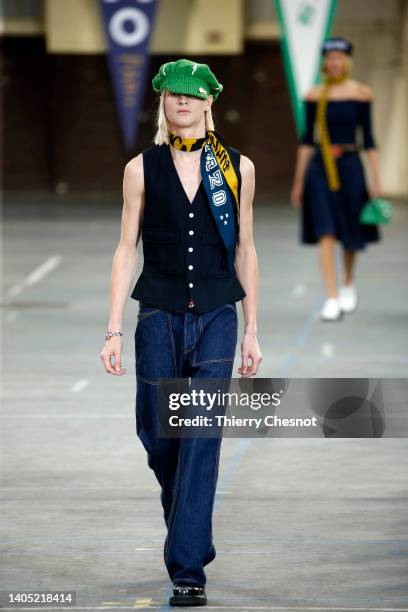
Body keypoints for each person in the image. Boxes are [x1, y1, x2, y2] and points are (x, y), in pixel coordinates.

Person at [100, 58, 262, 606]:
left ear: (208, 103)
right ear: (163, 104)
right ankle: (188, 526)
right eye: (173, 95)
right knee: (157, 433)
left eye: (192, 96)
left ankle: (188, 566)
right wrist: (113, 328)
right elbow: (126, 249)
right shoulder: (140, 168)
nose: (183, 103)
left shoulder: (237, 167)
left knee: (200, 439)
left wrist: (252, 331)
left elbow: (245, 249)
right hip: (158, 317)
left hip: (218, 315)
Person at [290, 37, 382, 321]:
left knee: (350, 231)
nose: (333, 62)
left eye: (338, 57)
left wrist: (376, 180)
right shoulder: (314, 95)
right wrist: (298, 181)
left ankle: (347, 283)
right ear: (324, 63)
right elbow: (307, 141)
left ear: (347, 61)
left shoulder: (361, 94)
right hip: (320, 168)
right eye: (329, 58)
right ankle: (331, 297)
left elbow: (368, 139)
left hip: (351, 166)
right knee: (325, 230)